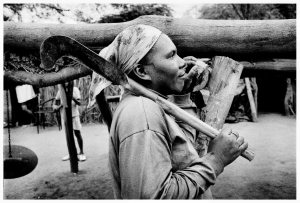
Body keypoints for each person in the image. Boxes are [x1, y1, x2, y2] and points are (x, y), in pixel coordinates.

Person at [89, 24, 248, 199]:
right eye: (171, 55)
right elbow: (153, 197)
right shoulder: (142, 111)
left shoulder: (150, 105)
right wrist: (216, 160)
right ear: (142, 71)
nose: (182, 62)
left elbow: (183, 157)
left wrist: (182, 96)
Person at [53, 82, 86, 162]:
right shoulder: (60, 90)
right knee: (68, 135)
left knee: (77, 133)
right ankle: (71, 153)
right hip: (65, 116)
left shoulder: (75, 89)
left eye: (68, 81)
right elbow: (55, 100)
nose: (66, 83)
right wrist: (54, 106)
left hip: (74, 115)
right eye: (64, 81)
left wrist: (72, 98)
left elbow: (79, 103)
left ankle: (81, 153)